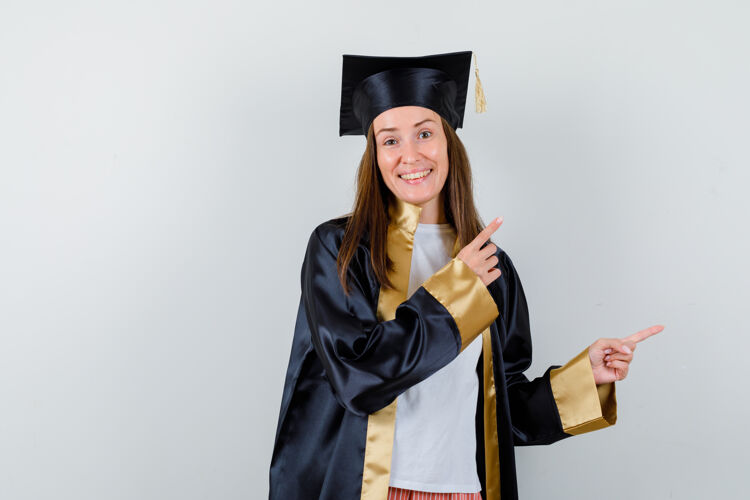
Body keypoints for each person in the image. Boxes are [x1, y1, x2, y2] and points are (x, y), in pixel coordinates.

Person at [268, 50, 663, 500]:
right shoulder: (340, 249)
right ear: (374, 155)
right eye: (390, 140)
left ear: (449, 141)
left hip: (466, 491)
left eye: (424, 133)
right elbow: (358, 380)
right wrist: (456, 292)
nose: (410, 154)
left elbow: (504, 410)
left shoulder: (490, 265)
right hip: (367, 489)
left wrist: (582, 378)